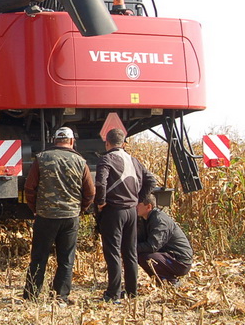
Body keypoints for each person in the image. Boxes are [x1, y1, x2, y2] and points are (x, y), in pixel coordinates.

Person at [23, 127, 95, 304]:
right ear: (71, 142)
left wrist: (35, 208)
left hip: (45, 217)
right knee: (66, 259)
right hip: (70, 217)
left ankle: (31, 296)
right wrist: (81, 209)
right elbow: (90, 192)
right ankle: (60, 297)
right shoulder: (80, 161)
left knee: (39, 257)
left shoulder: (41, 158)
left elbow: (29, 188)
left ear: (54, 140)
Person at [95, 128, 156, 302]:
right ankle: (131, 292)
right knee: (130, 252)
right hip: (131, 211)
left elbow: (100, 182)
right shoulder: (133, 160)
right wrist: (138, 198)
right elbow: (151, 180)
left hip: (114, 211)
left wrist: (101, 201)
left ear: (107, 143)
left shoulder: (106, 159)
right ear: (123, 143)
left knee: (112, 252)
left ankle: (113, 294)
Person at [137, 194, 193, 285]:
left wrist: (130, 248)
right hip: (167, 255)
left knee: (146, 258)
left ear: (148, 206)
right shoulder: (145, 219)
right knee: (139, 253)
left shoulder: (159, 221)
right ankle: (161, 280)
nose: (135, 206)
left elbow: (152, 246)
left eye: (138, 204)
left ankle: (171, 282)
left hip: (180, 261)